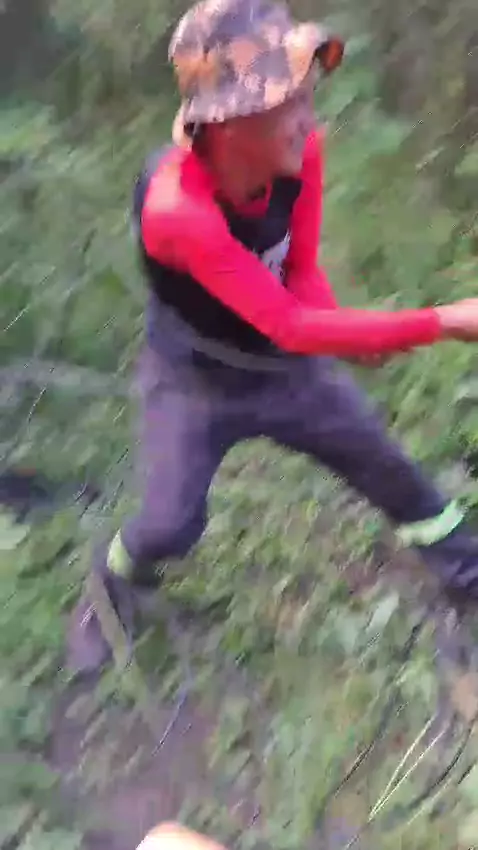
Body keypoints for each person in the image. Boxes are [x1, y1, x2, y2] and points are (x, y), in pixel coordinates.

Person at [68, 0, 478, 674]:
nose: (309, 119)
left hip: (285, 369)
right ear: (228, 123)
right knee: (169, 525)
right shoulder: (177, 211)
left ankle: (469, 577)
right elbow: (288, 321)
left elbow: (301, 272)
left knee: (391, 471)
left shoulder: (301, 151)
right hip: (193, 379)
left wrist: (349, 334)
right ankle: (109, 589)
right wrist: (442, 321)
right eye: (290, 104)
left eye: (307, 97)